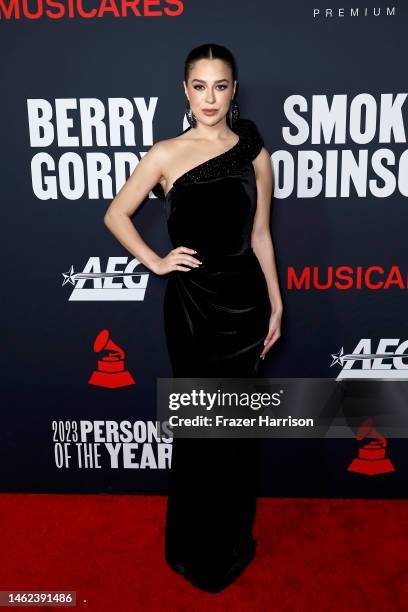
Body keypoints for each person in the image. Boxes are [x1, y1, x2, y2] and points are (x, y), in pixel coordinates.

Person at [104, 43, 283, 592]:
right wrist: (156, 261)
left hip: (245, 305)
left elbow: (260, 235)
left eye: (220, 86)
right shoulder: (164, 154)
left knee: (233, 433)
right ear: (185, 90)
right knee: (198, 430)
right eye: (199, 86)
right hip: (192, 309)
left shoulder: (253, 150)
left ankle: (230, 542)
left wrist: (275, 301)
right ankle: (192, 548)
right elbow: (116, 213)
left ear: (234, 89)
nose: (210, 98)